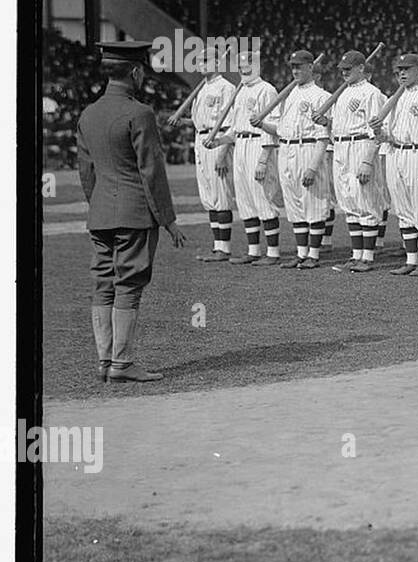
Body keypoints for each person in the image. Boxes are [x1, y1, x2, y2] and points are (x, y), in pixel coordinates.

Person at [76, 41, 186, 383]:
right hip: (134, 213)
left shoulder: (88, 114)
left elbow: (86, 171)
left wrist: (100, 205)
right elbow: (151, 170)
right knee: (129, 286)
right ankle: (121, 363)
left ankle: (104, 361)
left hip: (101, 214)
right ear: (136, 72)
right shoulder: (140, 113)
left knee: (103, 285)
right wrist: (168, 220)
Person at [252, 50, 332, 268]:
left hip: (308, 148)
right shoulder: (287, 95)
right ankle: (301, 253)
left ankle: (313, 255)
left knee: (313, 202)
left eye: (299, 66)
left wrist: (313, 167)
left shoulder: (321, 96)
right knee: (294, 203)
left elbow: (323, 137)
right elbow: (280, 129)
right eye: (292, 67)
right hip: (286, 150)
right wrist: (262, 124)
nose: (295, 70)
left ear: (310, 67)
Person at [370, 53, 418, 276]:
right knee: (402, 209)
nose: (402, 73)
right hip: (396, 153)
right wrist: (378, 130)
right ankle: (411, 260)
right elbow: (388, 135)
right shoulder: (394, 99)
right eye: (399, 70)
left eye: (406, 69)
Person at [208, 51, 284, 265]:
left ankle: (273, 253)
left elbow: (274, 126)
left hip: (259, 145)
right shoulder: (240, 91)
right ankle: (253, 251)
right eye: (240, 66)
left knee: (263, 197)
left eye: (248, 65)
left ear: (257, 66)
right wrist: (220, 141)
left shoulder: (266, 90)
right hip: (240, 145)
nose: (243, 69)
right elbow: (235, 127)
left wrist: (263, 158)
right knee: (245, 200)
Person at [314, 49, 386, 273]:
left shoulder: (372, 93)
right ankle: (356, 256)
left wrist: (367, 160)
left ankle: (368, 257)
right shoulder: (342, 93)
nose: (344, 72)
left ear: (361, 68)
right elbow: (337, 124)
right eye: (342, 69)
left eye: (348, 69)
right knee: (349, 202)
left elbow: (376, 129)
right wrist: (325, 120)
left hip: (361, 145)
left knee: (366, 201)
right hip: (341, 147)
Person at [184, 55, 237, 261]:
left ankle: (225, 248)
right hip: (200, 140)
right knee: (208, 196)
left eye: (206, 61)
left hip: (218, 140)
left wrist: (223, 153)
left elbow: (231, 122)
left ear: (217, 63)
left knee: (221, 194)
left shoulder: (226, 87)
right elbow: (202, 120)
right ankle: (217, 247)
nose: (201, 64)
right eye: (198, 61)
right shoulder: (202, 88)